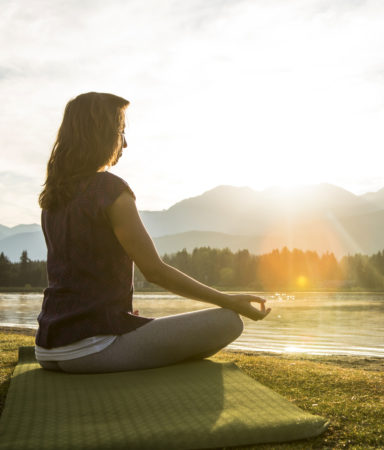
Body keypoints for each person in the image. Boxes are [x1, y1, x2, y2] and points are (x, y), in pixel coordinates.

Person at [35, 92, 270, 373]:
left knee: (150, 331)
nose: (124, 143)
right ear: (101, 135)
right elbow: (155, 271)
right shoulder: (110, 190)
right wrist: (228, 300)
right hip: (92, 349)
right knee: (229, 321)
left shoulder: (53, 198)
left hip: (47, 348)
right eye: (121, 132)